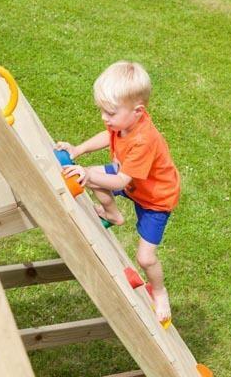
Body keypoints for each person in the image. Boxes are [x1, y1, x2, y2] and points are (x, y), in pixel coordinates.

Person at [56, 61, 180, 323]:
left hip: (154, 199)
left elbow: (121, 182)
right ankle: (113, 215)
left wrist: (89, 175)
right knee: (89, 174)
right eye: (102, 110)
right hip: (131, 179)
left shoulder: (145, 139)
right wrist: (78, 151)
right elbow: (108, 135)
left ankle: (159, 291)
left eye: (110, 112)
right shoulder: (123, 123)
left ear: (138, 111)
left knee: (145, 258)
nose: (105, 117)